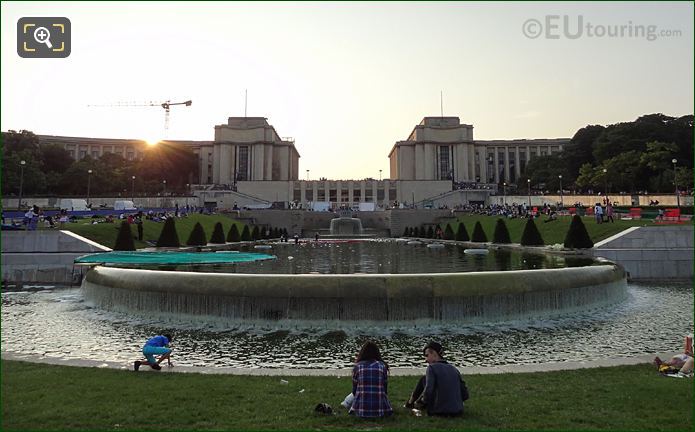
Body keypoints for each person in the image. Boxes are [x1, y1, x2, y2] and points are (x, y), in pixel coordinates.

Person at [405, 342, 469, 416]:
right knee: (425, 379)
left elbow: (429, 390)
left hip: (439, 412)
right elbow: (465, 395)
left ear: (434, 353)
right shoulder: (454, 369)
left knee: (424, 379)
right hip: (458, 412)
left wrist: (421, 402)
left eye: (427, 355)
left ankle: (410, 403)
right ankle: (410, 403)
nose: (425, 360)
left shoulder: (432, 368)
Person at [349, 341, 393, 418]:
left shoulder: (357, 366)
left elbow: (354, 391)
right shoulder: (382, 366)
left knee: (347, 400)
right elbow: (385, 390)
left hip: (361, 411)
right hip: (380, 411)